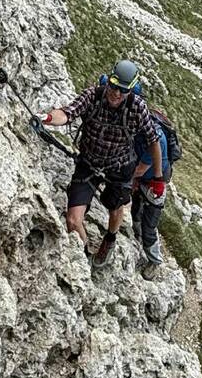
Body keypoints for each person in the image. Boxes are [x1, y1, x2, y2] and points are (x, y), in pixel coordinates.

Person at [38, 59, 162, 266]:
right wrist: (48, 118)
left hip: (120, 166)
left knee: (116, 207)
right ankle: (84, 256)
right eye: (113, 86)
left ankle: (110, 240)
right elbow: (68, 113)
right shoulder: (93, 96)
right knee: (73, 220)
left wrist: (158, 179)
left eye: (123, 90)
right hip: (89, 163)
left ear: (131, 90)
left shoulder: (137, 108)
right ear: (108, 80)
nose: (116, 93)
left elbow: (154, 141)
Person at [130, 113, 171, 269]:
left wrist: (125, 178)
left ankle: (154, 261)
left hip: (155, 185)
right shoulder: (138, 132)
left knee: (149, 226)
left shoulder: (155, 139)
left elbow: (140, 169)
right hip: (143, 180)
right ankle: (137, 237)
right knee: (135, 211)